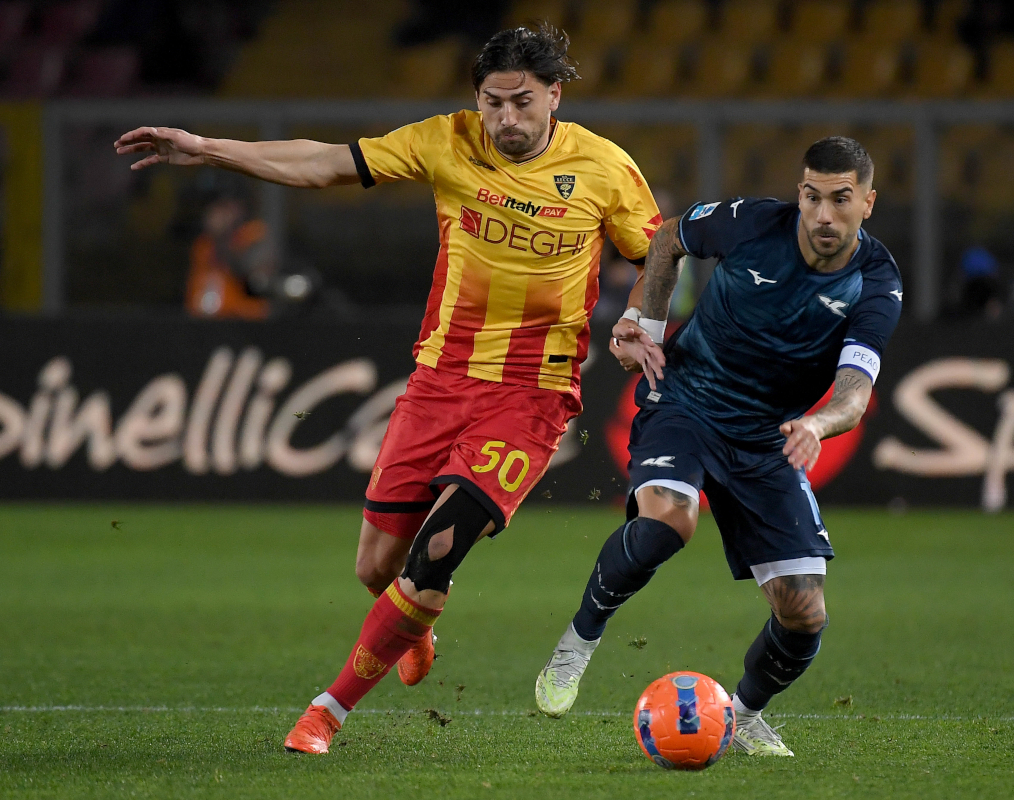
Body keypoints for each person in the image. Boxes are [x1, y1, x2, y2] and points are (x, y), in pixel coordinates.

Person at [114, 24, 661, 754]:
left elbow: (660, 251)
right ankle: (416, 621)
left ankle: (325, 713)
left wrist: (638, 318)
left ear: (554, 96)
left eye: (522, 102)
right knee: (378, 567)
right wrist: (209, 148)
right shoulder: (447, 140)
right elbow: (323, 163)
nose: (506, 119)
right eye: (493, 102)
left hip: (531, 394)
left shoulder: (604, 167)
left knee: (437, 550)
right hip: (439, 380)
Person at [534, 137, 903, 757]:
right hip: (687, 401)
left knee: (804, 613)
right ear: (799, 194)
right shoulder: (752, 223)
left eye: (841, 200)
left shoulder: (876, 282)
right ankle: (578, 642)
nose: (823, 215)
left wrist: (817, 425)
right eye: (812, 197)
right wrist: (648, 327)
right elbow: (668, 238)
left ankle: (742, 715)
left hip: (767, 437)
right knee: (667, 523)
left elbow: (855, 392)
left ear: (868, 202)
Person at [185, 194, 276, 319]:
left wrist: (223, 236)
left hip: (244, 317)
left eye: (227, 209)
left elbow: (246, 270)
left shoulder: (254, 233)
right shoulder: (204, 243)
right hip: (207, 318)